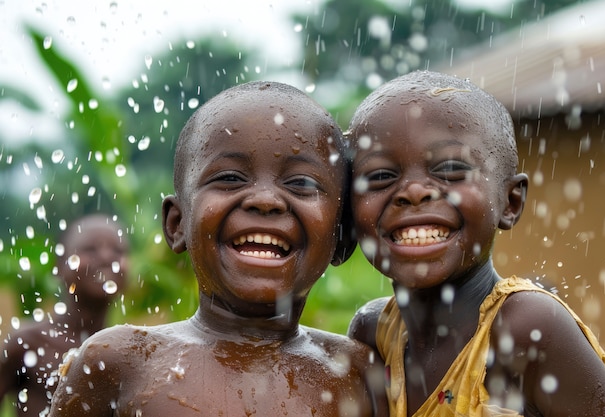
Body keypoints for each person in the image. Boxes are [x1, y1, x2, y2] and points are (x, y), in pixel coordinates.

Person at [48, 81, 386, 417]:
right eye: (230, 178)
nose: (264, 200)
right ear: (177, 225)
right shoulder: (122, 362)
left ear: (342, 237)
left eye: (301, 183)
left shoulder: (359, 372)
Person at [346, 70, 605, 416]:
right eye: (380, 176)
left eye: (449, 169)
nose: (414, 191)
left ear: (510, 203)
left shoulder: (527, 328)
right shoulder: (374, 333)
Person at [0, 214, 129, 417]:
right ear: (58, 266)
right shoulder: (27, 344)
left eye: (118, 251)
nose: (106, 257)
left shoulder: (131, 350)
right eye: (90, 249)